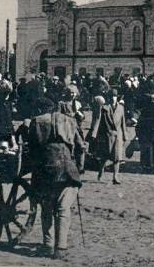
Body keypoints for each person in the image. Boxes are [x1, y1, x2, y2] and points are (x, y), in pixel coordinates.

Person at [27, 99, 86, 259]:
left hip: (45, 169)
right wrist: (80, 167)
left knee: (47, 209)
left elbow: (31, 148)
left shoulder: (36, 121)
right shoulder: (70, 121)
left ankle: (47, 245)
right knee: (63, 209)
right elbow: (81, 147)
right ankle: (61, 247)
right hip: (67, 169)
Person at [89, 90, 126, 184]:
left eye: (115, 96)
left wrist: (125, 136)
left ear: (117, 97)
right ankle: (100, 173)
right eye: (111, 96)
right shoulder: (104, 108)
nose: (113, 98)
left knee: (117, 158)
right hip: (106, 135)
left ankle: (115, 177)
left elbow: (123, 123)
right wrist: (94, 134)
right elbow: (98, 120)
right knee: (104, 157)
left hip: (118, 136)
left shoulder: (121, 108)